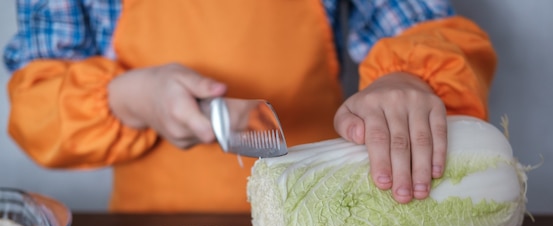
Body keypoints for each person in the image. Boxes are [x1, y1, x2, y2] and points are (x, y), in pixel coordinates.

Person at [3, 1, 496, 213]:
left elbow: (418, 24)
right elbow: (37, 104)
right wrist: (131, 97)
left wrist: (408, 76)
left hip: (323, 209)